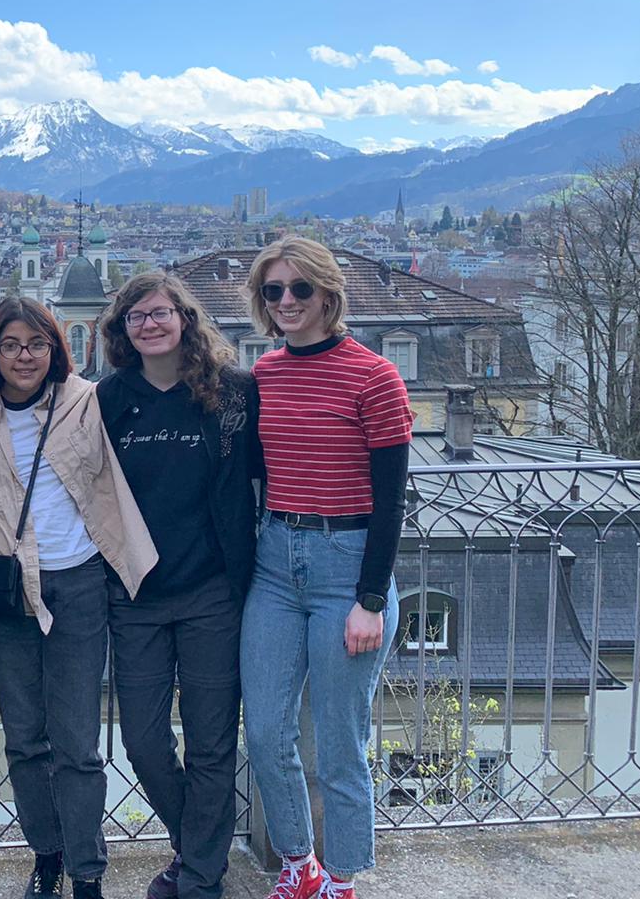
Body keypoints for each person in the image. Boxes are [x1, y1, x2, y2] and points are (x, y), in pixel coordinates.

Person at [0, 297, 159, 899]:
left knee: (77, 744)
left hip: (77, 585)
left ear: (56, 348)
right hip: (7, 591)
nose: (24, 357)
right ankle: (46, 854)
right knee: (25, 739)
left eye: (36, 344)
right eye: (9, 345)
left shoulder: (87, 401)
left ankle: (87, 873)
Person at [241, 236, 410, 899]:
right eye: (273, 291)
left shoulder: (375, 376)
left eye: (298, 289)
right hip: (276, 563)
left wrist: (371, 598)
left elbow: (393, 497)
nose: (285, 302)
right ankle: (297, 862)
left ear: (327, 294)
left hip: (348, 566)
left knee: (340, 741)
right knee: (265, 730)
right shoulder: (266, 375)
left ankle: (341, 878)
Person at [96, 271, 261, 899]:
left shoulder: (233, 395)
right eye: (136, 316)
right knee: (141, 742)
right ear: (122, 330)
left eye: (161, 312)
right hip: (135, 593)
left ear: (185, 319)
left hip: (213, 592)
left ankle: (198, 877)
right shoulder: (106, 402)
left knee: (212, 741)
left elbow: (282, 463)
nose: (151, 324)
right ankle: (200, 849)